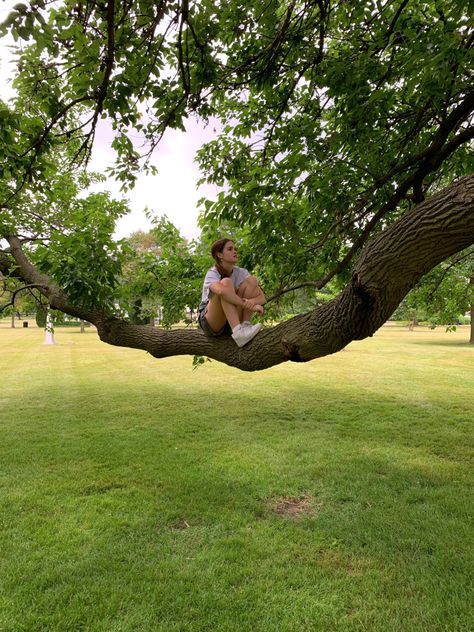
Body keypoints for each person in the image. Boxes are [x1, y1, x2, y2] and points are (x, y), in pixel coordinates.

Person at [198, 238, 266, 347]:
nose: (234, 251)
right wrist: (250, 306)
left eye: (235, 249)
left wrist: (250, 302)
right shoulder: (212, 273)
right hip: (211, 321)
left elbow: (262, 297)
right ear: (219, 255)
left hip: (230, 321)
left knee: (252, 280)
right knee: (226, 283)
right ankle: (238, 331)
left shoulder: (242, 272)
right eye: (230, 249)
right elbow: (220, 291)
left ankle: (245, 326)